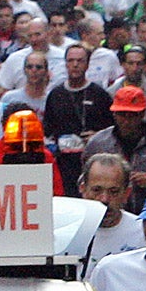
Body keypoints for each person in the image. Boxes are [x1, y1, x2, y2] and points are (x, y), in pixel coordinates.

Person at [84, 86, 146, 209]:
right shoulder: (97, 143)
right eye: (122, 114)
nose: (126, 121)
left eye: (132, 115)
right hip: (104, 214)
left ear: (143, 114)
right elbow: (82, 181)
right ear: (114, 114)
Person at [43, 44, 114, 190]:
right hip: (63, 163)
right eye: (71, 61)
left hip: (93, 162)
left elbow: (113, 129)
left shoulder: (99, 94)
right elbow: (47, 130)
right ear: (66, 64)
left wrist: (97, 136)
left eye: (80, 61)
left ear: (87, 64)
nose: (75, 65)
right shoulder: (56, 95)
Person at [76, 154, 144, 272]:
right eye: (97, 190)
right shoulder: (69, 232)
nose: (104, 199)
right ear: (83, 189)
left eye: (114, 192)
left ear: (126, 193)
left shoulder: (142, 232)